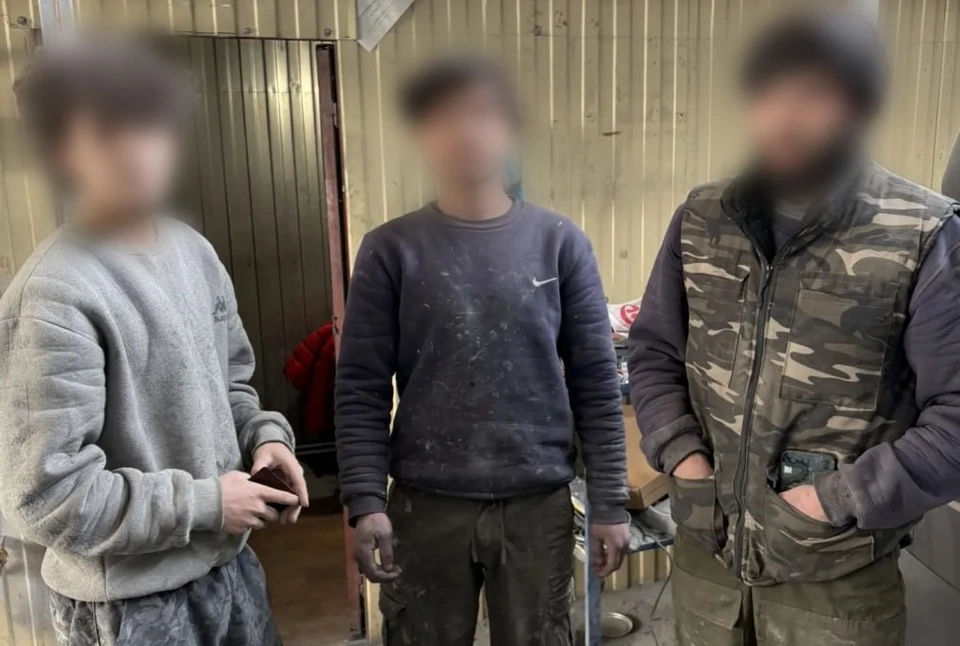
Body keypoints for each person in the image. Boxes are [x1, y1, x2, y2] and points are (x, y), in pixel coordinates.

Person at [629, 8, 960, 646]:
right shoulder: (702, 218)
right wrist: (685, 460)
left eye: (812, 93)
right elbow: (653, 354)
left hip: (836, 585)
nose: (784, 115)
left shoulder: (922, 235)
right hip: (707, 566)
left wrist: (835, 501)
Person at [0, 35, 309, 646]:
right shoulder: (55, 293)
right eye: (106, 130)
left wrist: (266, 439)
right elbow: (46, 496)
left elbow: (230, 388)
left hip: (229, 571)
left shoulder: (193, 252)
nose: (138, 147)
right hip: (132, 607)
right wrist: (205, 505)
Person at [335, 55, 630, 645]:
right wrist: (365, 502)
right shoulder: (391, 250)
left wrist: (611, 503)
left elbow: (596, 382)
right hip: (425, 509)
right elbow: (360, 387)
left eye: (483, 114)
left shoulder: (560, 244)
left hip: (536, 507)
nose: (466, 131)